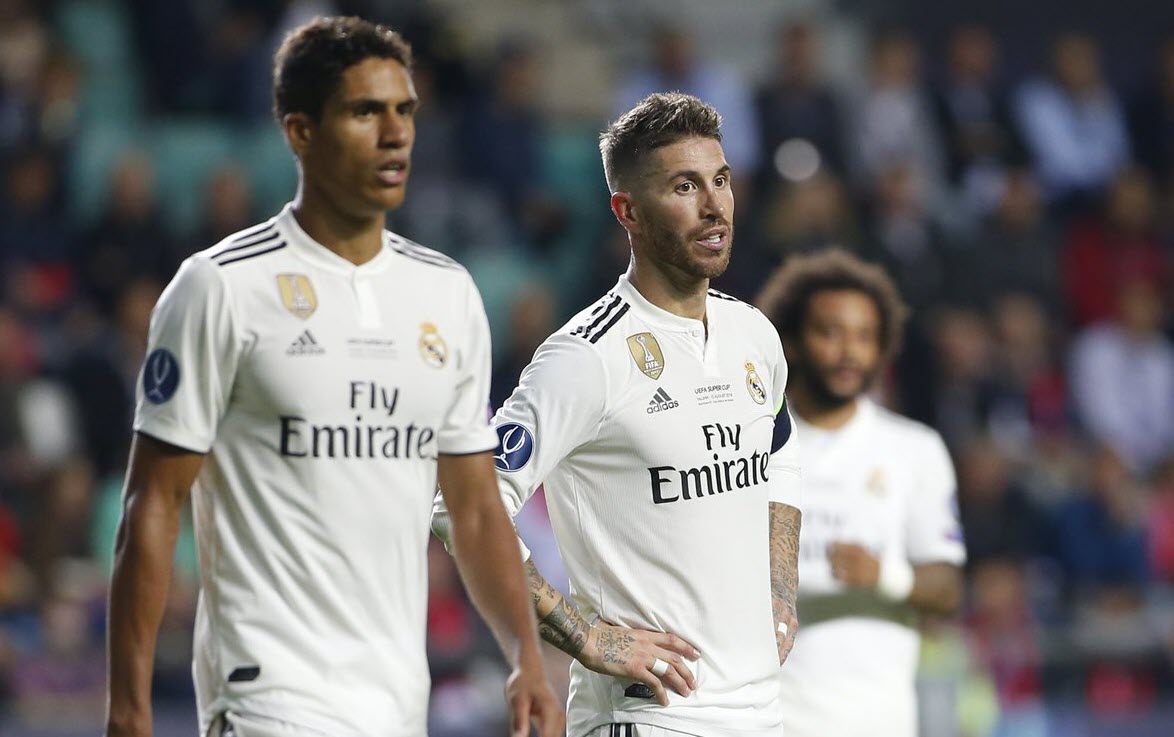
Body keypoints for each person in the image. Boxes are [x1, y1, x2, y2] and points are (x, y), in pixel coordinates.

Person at [104, 16, 562, 737]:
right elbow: (152, 504)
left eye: (405, 110)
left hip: (396, 699)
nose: (395, 133)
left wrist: (525, 657)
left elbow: (475, 508)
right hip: (265, 696)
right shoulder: (220, 287)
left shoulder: (446, 294)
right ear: (301, 131)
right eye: (365, 111)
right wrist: (129, 709)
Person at [433, 92, 803, 737]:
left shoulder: (754, 335)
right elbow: (464, 504)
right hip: (649, 717)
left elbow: (780, 455)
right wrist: (586, 638)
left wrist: (780, 589)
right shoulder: (587, 357)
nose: (714, 205)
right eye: (684, 186)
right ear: (626, 211)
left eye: (720, 180)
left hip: (762, 713)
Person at [756, 249, 966, 737]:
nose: (849, 352)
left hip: (878, 720)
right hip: (768, 719)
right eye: (830, 333)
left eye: (865, 336)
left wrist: (884, 576)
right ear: (792, 342)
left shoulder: (915, 449)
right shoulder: (750, 444)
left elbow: (947, 590)